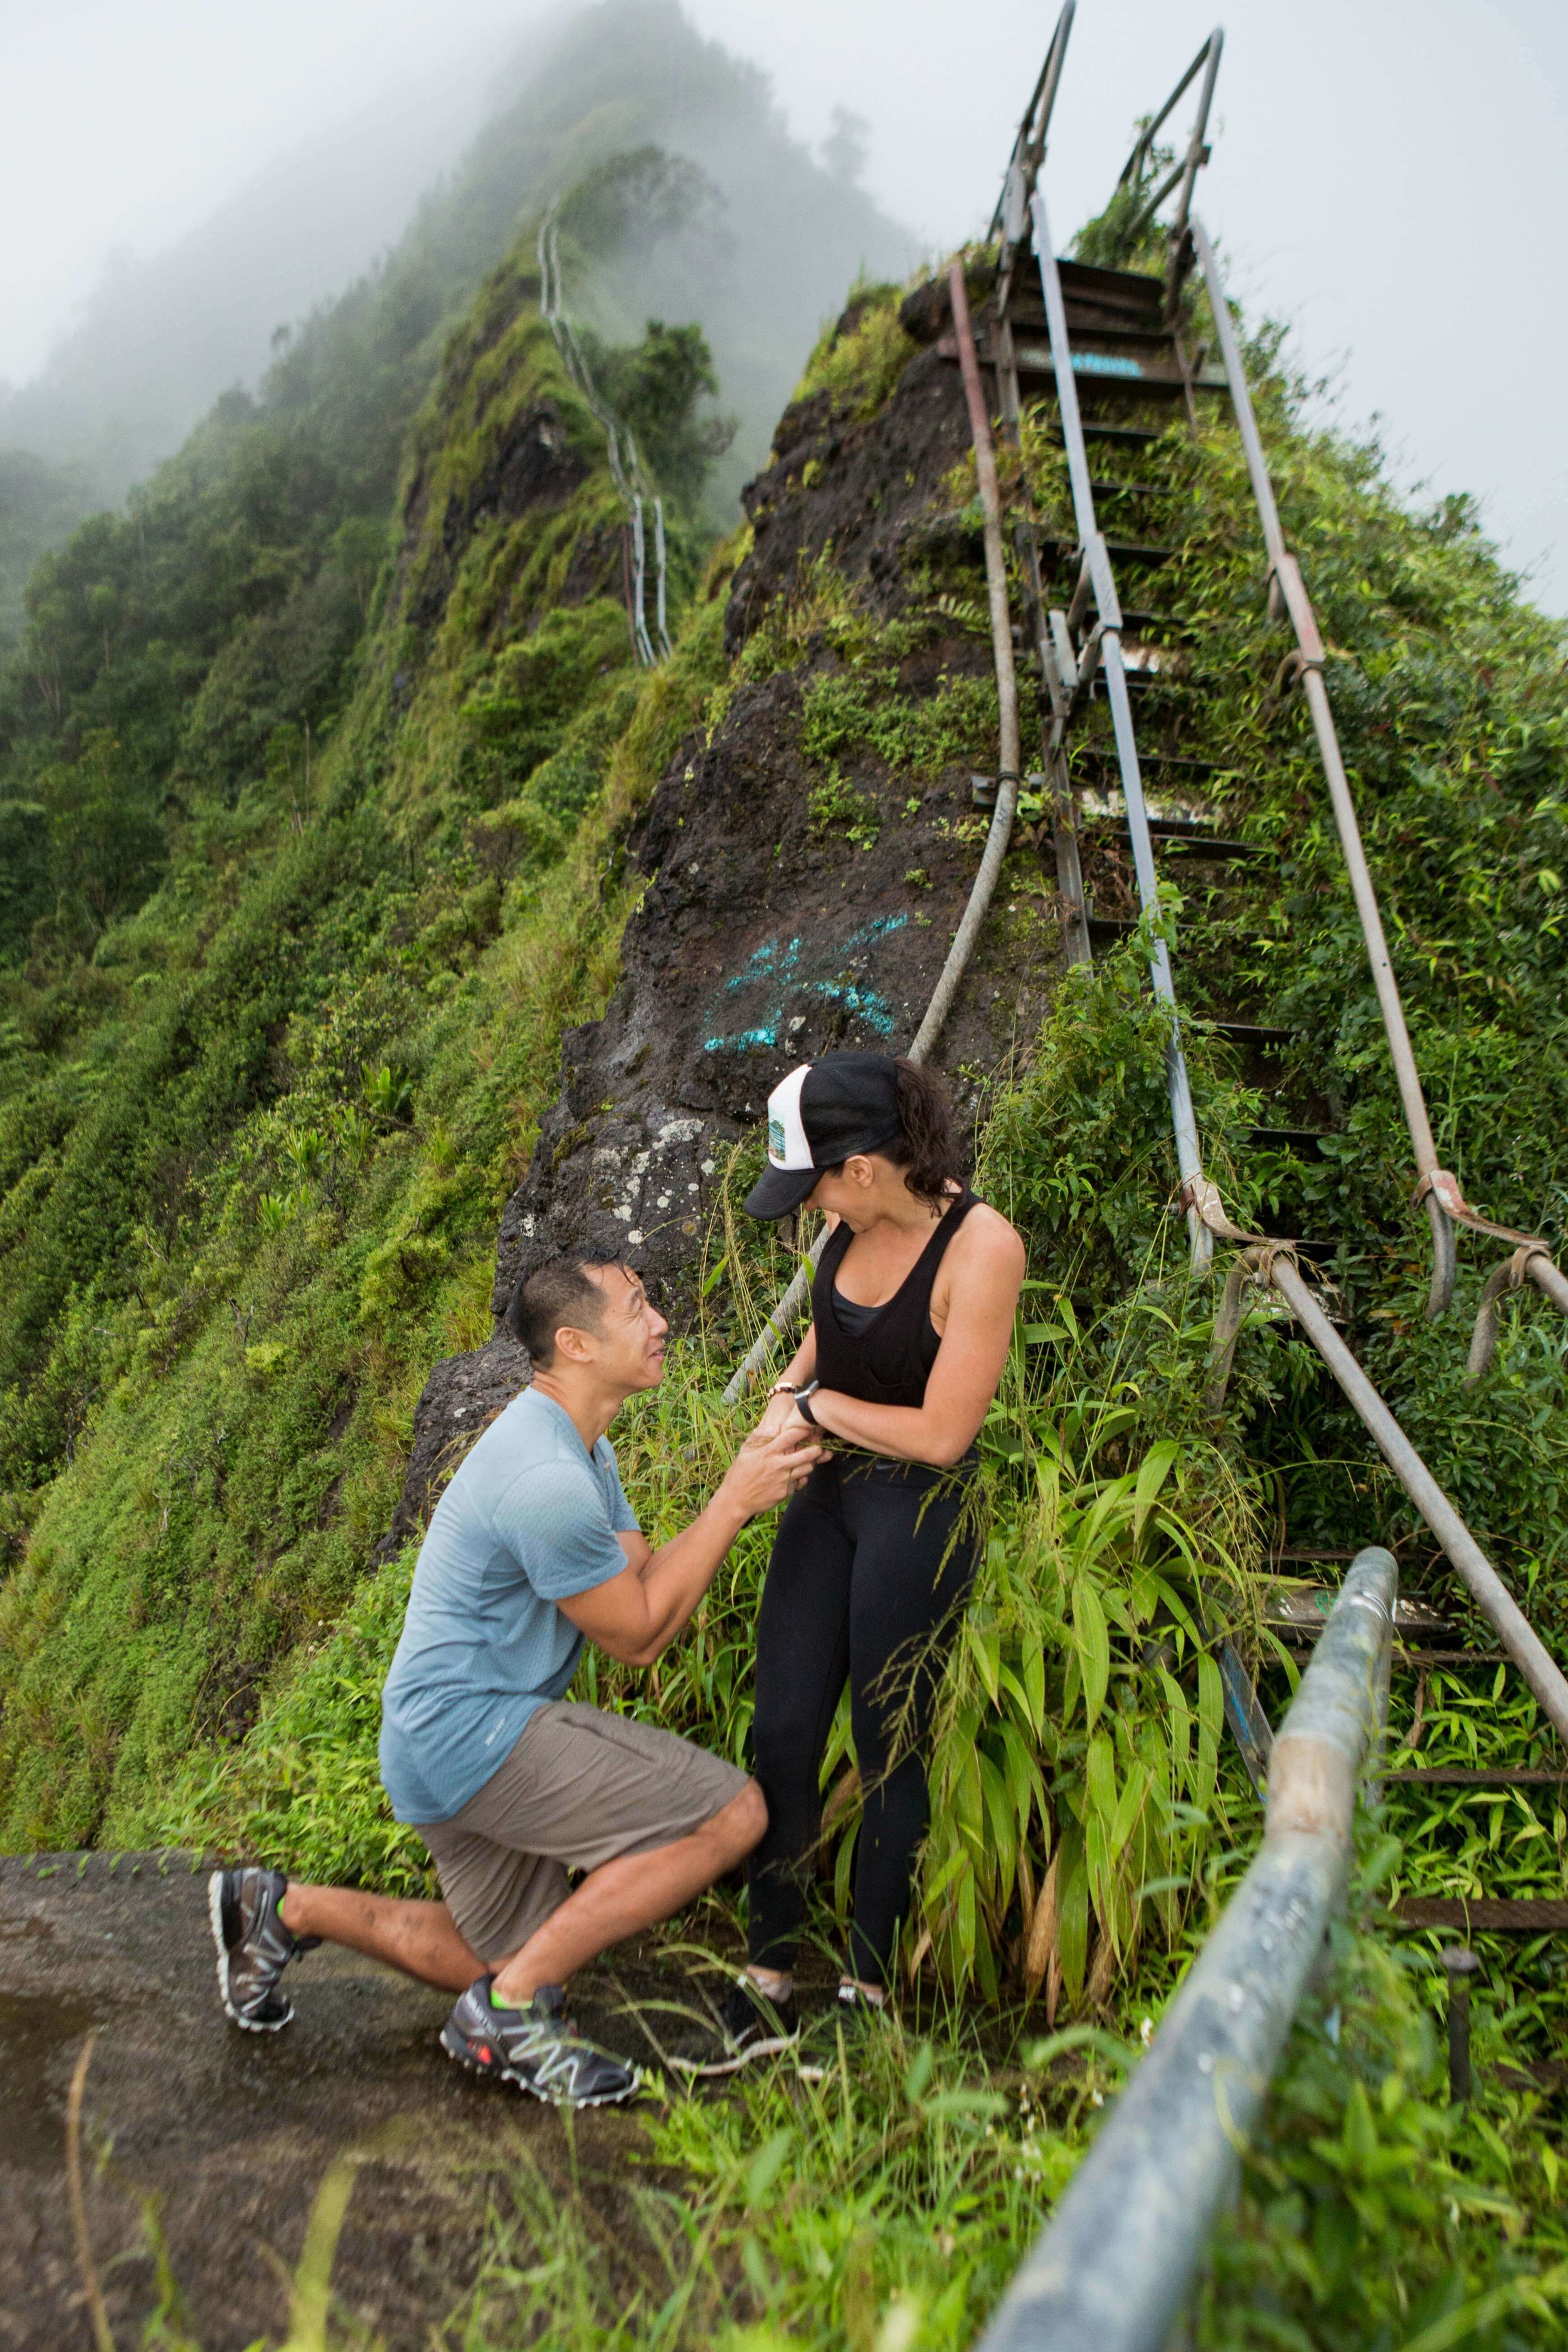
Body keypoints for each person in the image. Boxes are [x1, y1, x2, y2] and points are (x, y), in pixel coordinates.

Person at [209, 1253, 822, 2108]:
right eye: (638, 1307)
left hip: (433, 1741)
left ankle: (283, 1911)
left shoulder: (577, 1442)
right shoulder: (545, 1479)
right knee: (733, 1814)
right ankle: (507, 2017)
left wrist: (739, 1485)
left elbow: (641, 1578)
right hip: (475, 1733)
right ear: (575, 1342)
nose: (661, 1323)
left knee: (498, 1956)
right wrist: (733, 1500)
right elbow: (640, 1639)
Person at [675, 1052, 1024, 2076]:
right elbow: (826, 1341)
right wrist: (787, 1396)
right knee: (781, 1726)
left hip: (918, 1506)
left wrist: (818, 1411)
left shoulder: (982, 1249)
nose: (808, 1207)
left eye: (814, 1184)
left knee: (888, 1744)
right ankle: (769, 1972)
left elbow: (945, 1434)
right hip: (828, 1495)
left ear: (864, 1168)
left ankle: (865, 1989)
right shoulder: (847, 1220)